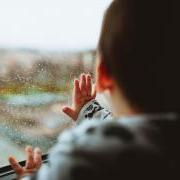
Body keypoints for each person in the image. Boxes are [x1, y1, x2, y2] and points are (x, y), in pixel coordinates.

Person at [8, 0, 180, 179]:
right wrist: (88, 109)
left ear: (103, 75)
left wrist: (30, 176)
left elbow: (118, 133)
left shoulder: (86, 155)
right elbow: (123, 128)